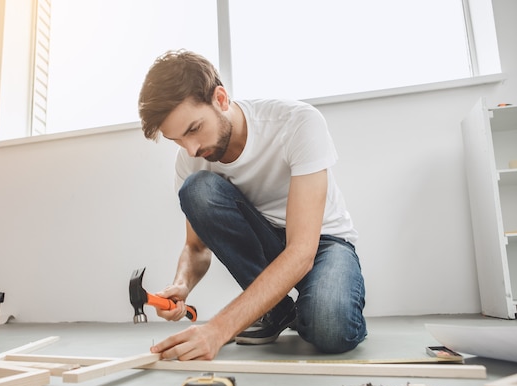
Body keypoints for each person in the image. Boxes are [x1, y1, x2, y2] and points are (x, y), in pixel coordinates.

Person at [138, 50, 366, 361]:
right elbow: (196, 248)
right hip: (266, 243)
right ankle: (276, 309)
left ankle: (304, 309)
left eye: (193, 129)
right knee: (197, 190)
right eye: (177, 140)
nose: (191, 150)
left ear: (220, 99)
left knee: (330, 328)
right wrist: (182, 284)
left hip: (323, 243)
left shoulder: (297, 123)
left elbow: (301, 252)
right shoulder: (190, 162)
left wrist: (219, 328)